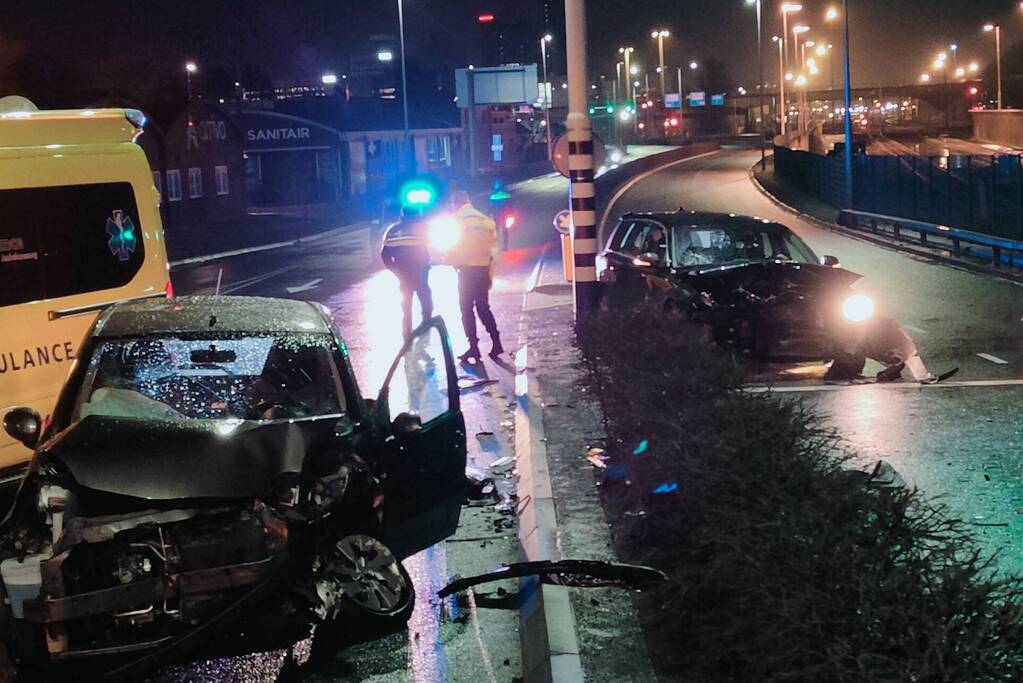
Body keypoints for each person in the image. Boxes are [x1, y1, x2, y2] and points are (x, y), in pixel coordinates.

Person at [447, 191, 503, 363]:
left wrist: (451, 261)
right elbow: (494, 250)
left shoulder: (456, 220)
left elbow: (452, 246)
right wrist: (490, 273)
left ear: (455, 203)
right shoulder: (485, 220)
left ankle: (474, 348)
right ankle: (496, 342)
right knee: (483, 307)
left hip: (466, 271)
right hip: (483, 269)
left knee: (466, 309)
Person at [381, 205, 434, 340]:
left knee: (406, 302)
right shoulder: (425, 228)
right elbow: (436, 248)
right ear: (418, 214)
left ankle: (407, 330)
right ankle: (426, 323)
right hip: (421, 271)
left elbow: (385, 255)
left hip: (403, 272)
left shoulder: (393, 230)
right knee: (425, 297)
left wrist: (396, 271)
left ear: (402, 214)